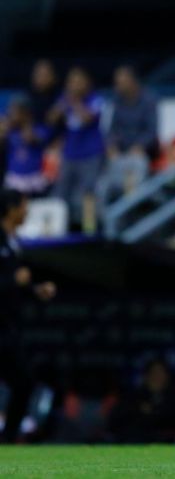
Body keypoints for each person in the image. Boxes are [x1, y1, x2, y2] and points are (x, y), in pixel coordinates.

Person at [0, 189, 57, 443]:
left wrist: (35, 290)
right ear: (11, 209)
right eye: (24, 206)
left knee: (23, 381)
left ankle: (8, 438)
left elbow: (15, 285)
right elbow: (10, 281)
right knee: (22, 380)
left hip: (7, 328)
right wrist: (12, 280)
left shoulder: (12, 241)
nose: (27, 211)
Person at [48, 66, 104, 228]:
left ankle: (89, 229)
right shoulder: (64, 99)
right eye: (71, 81)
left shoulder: (95, 99)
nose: (74, 85)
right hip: (69, 153)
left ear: (87, 83)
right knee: (60, 192)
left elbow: (87, 119)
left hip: (90, 154)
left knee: (87, 194)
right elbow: (51, 119)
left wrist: (74, 102)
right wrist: (60, 107)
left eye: (78, 81)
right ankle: (58, 228)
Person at [103, 65, 160, 199]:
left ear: (132, 81)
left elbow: (151, 131)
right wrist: (111, 146)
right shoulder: (117, 101)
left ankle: (132, 203)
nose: (117, 86)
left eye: (121, 82)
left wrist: (140, 146)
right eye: (117, 82)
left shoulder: (149, 100)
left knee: (136, 163)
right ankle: (114, 205)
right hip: (121, 152)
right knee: (103, 181)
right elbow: (112, 129)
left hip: (144, 152)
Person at [107, 358, 175, 444]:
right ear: (146, 376)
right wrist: (137, 409)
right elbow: (115, 423)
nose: (157, 377)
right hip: (136, 444)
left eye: (161, 373)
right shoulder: (132, 398)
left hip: (169, 445)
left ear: (167, 377)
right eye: (154, 373)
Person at [1, 97, 52, 196]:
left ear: (25, 113)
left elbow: (29, 138)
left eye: (14, 112)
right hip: (14, 179)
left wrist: (26, 121)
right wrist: (5, 128)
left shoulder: (40, 129)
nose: (11, 115)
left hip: (33, 180)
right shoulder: (11, 131)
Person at [27, 59, 60, 133]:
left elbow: (52, 120)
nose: (41, 78)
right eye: (38, 74)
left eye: (45, 75)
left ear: (53, 77)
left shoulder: (60, 97)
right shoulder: (27, 97)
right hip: (33, 134)